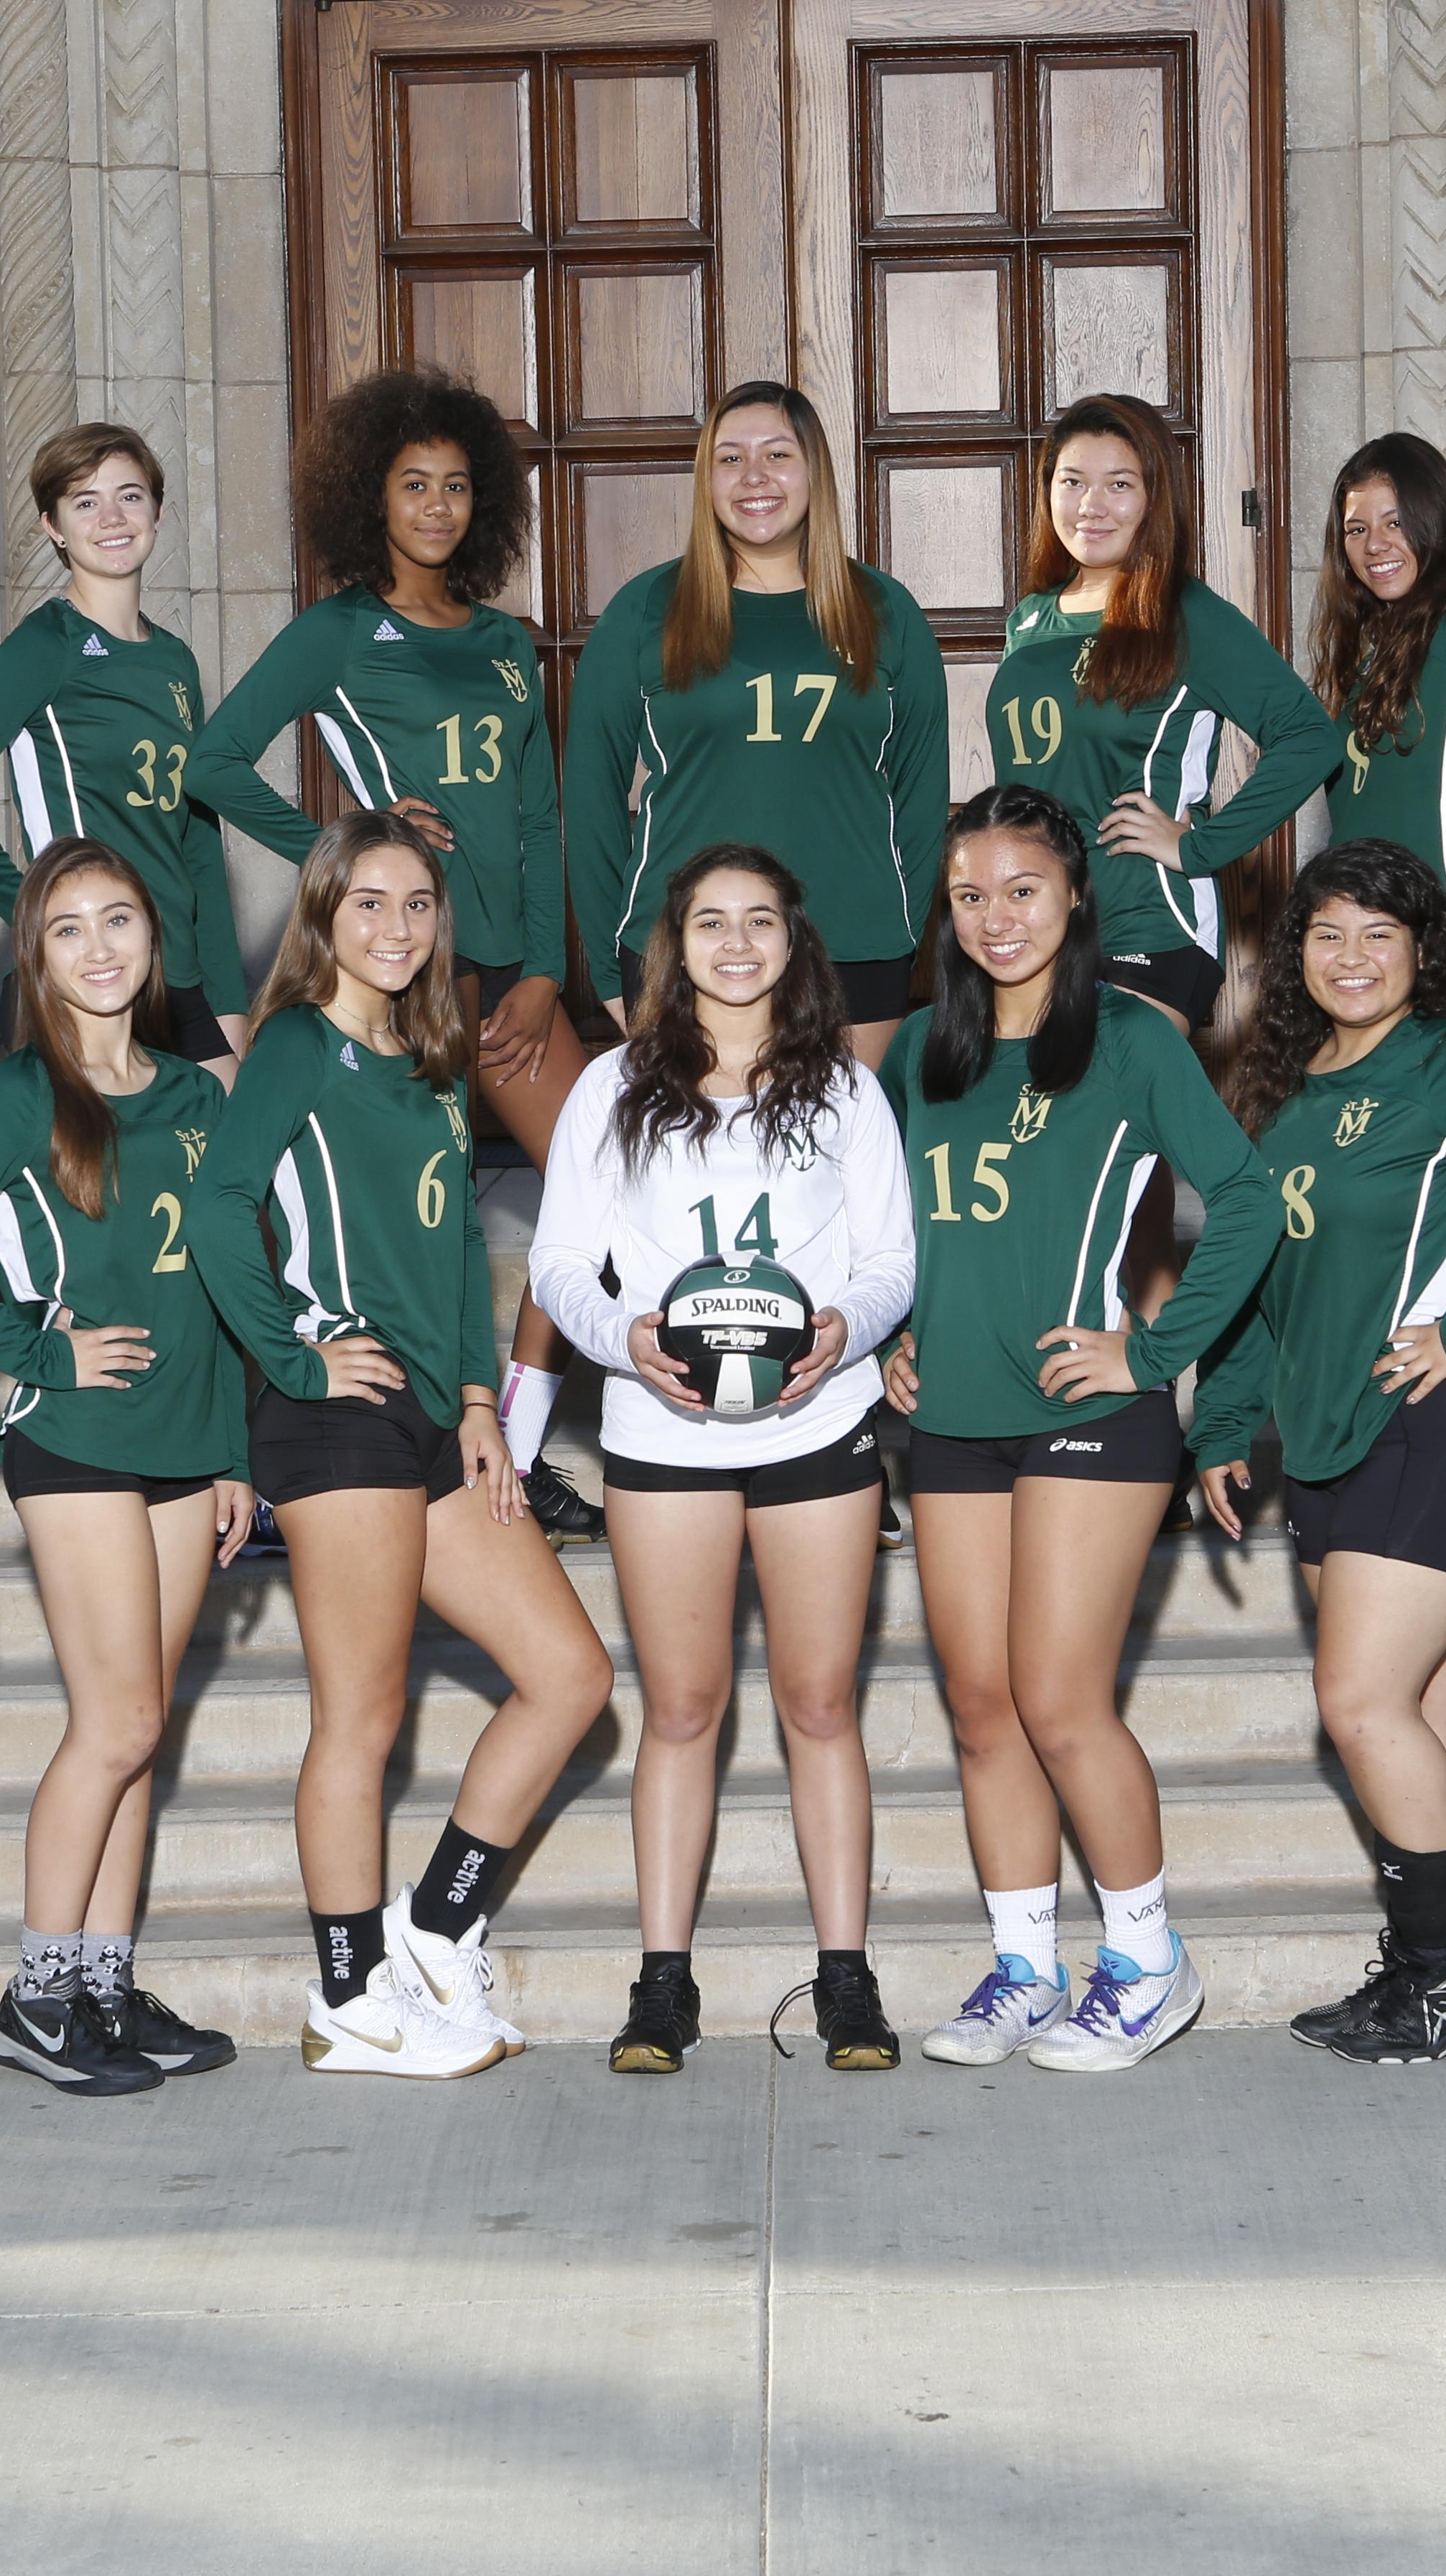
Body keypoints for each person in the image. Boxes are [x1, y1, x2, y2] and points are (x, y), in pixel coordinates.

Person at [184, 811, 617, 2078]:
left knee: (570, 1676)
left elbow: (446, 1260)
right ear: (322, 915)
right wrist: (292, 1352)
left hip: (434, 1414)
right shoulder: (298, 1048)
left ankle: (432, 1925)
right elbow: (220, 1209)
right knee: (361, 1719)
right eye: (366, 903)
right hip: (336, 1417)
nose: (394, 927)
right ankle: (346, 2001)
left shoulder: (430, 1058)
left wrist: (483, 1406)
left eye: (417, 904)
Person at [880, 787, 1280, 2071]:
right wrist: (889, 1327)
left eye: (1024, 891)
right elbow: (882, 1234)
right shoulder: (916, 1058)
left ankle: (1150, 1960)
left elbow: (1251, 1200)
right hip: (950, 1420)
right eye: (971, 895)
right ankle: (1021, 1966)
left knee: (1059, 1699)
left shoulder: (1132, 1039)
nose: (997, 918)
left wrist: (1153, 1352)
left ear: (1073, 898)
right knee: (985, 1705)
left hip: (1087, 1417)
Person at [1192, 839, 1446, 2064]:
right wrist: (1223, 1422)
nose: (1352, 957)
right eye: (1327, 934)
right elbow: (1269, 1283)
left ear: (1425, 951)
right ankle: (1444, 1958)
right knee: (1422, 1702)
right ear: (1294, 956)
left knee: (1359, 1701)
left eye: (1379, 933)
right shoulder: (1283, 1094)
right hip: (1326, 1432)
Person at [192, 367, 603, 1539]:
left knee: (598, 1186)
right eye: (412, 485)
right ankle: (269, 1453)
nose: (435, 507)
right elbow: (214, 761)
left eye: (457, 487)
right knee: (321, 1218)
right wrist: (334, 843)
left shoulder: (510, 642)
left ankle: (511, 1450)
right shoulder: (334, 632)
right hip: (378, 980)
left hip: (497, 986)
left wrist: (535, 976)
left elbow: (537, 819)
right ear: (372, 500)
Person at [0, 839, 254, 2096]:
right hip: (80, 1441)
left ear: (155, 942)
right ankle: (37, 1998)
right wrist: (31, 1348)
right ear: (36, 956)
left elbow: (232, 1284)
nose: (100, 949)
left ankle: (101, 1981)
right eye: (70, 928)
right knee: (119, 1722)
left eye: (121, 922)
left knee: (143, 1732)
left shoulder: (202, 1098)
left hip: (192, 1446)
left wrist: (241, 1451)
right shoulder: (19, 1094)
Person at [528, 847, 915, 2073]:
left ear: (795, 943)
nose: (735, 944)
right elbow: (555, 1267)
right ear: (674, 943)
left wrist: (849, 1327)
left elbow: (891, 1259)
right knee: (683, 1709)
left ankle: (846, 1980)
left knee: (818, 1703)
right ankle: (664, 1986)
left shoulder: (848, 1092)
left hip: (817, 1422)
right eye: (710, 923)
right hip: (663, 1434)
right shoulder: (609, 1088)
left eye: (760, 921)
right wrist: (625, 1343)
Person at [565, 383, 954, 1061]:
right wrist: (609, 967)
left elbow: (920, 804)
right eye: (730, 459)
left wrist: (898, 935)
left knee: (834, 1161)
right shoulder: (646, 609)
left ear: (815, 473)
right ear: (706, 480)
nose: (755, 478)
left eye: (778, 454)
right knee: (698, 1162)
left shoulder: (886, 611)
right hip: (685, 943)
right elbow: (591, 801)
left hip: (854, 945)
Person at [974, 390, 1345, 1037]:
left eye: (1119, 484)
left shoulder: (1187, 615)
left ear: (1153, 497)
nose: (1092, 505)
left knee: (1109, 1121)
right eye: (1072, 482)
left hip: (1149, 920)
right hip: (1037, 932)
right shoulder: (1029, 620)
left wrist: (1202, 847)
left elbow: (1310, 737)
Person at [0, 424, 244, 1077]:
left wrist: (228, 997)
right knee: (97, 1175)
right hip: (87, 973)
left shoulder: (175, 660)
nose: (112, 518)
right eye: (86, 502)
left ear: (158, 512)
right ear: (54, 527)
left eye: (130, 496)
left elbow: (199, 841)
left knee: (224, 1168)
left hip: (175, 967)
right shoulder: (49, 644)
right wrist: (33, 909)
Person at [1286, 434, 1446, 951]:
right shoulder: (1363, 649)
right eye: (1356, 529)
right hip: (1364, 939)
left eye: (1395, 522)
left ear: (1434, 520)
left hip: (1442, 932)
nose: (1373, 544)